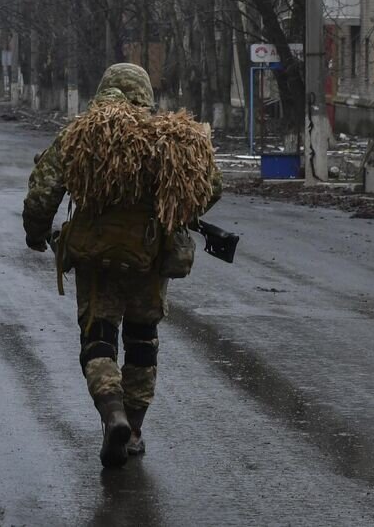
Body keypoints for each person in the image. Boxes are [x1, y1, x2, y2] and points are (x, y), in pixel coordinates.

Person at [22, 63, 222, 467]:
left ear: (103, 89)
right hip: (148, 260)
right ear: (145, 96)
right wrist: (172, 211)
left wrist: (36, 234)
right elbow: (210, 187)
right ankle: (132, 429)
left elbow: (43, 192)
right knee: (141, 340)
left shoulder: (83, 132)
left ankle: (111, 411)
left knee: (99, 336)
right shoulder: (170, 138)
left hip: (97, 261)